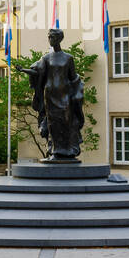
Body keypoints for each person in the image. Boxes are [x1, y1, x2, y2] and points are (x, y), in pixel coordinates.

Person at [12, 27, 84, 161]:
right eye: (49, 37)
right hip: (50, 95)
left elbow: (73, 77)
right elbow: (38, 72)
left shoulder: (68, 58)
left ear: (59, 39)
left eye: (52, 37)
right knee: (53, 123)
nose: (50, 40)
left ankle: (69, 151)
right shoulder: (46, 58)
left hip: (65, 94)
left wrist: (77, 94)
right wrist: (23, 70)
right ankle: (55, 151)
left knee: (67, 121)